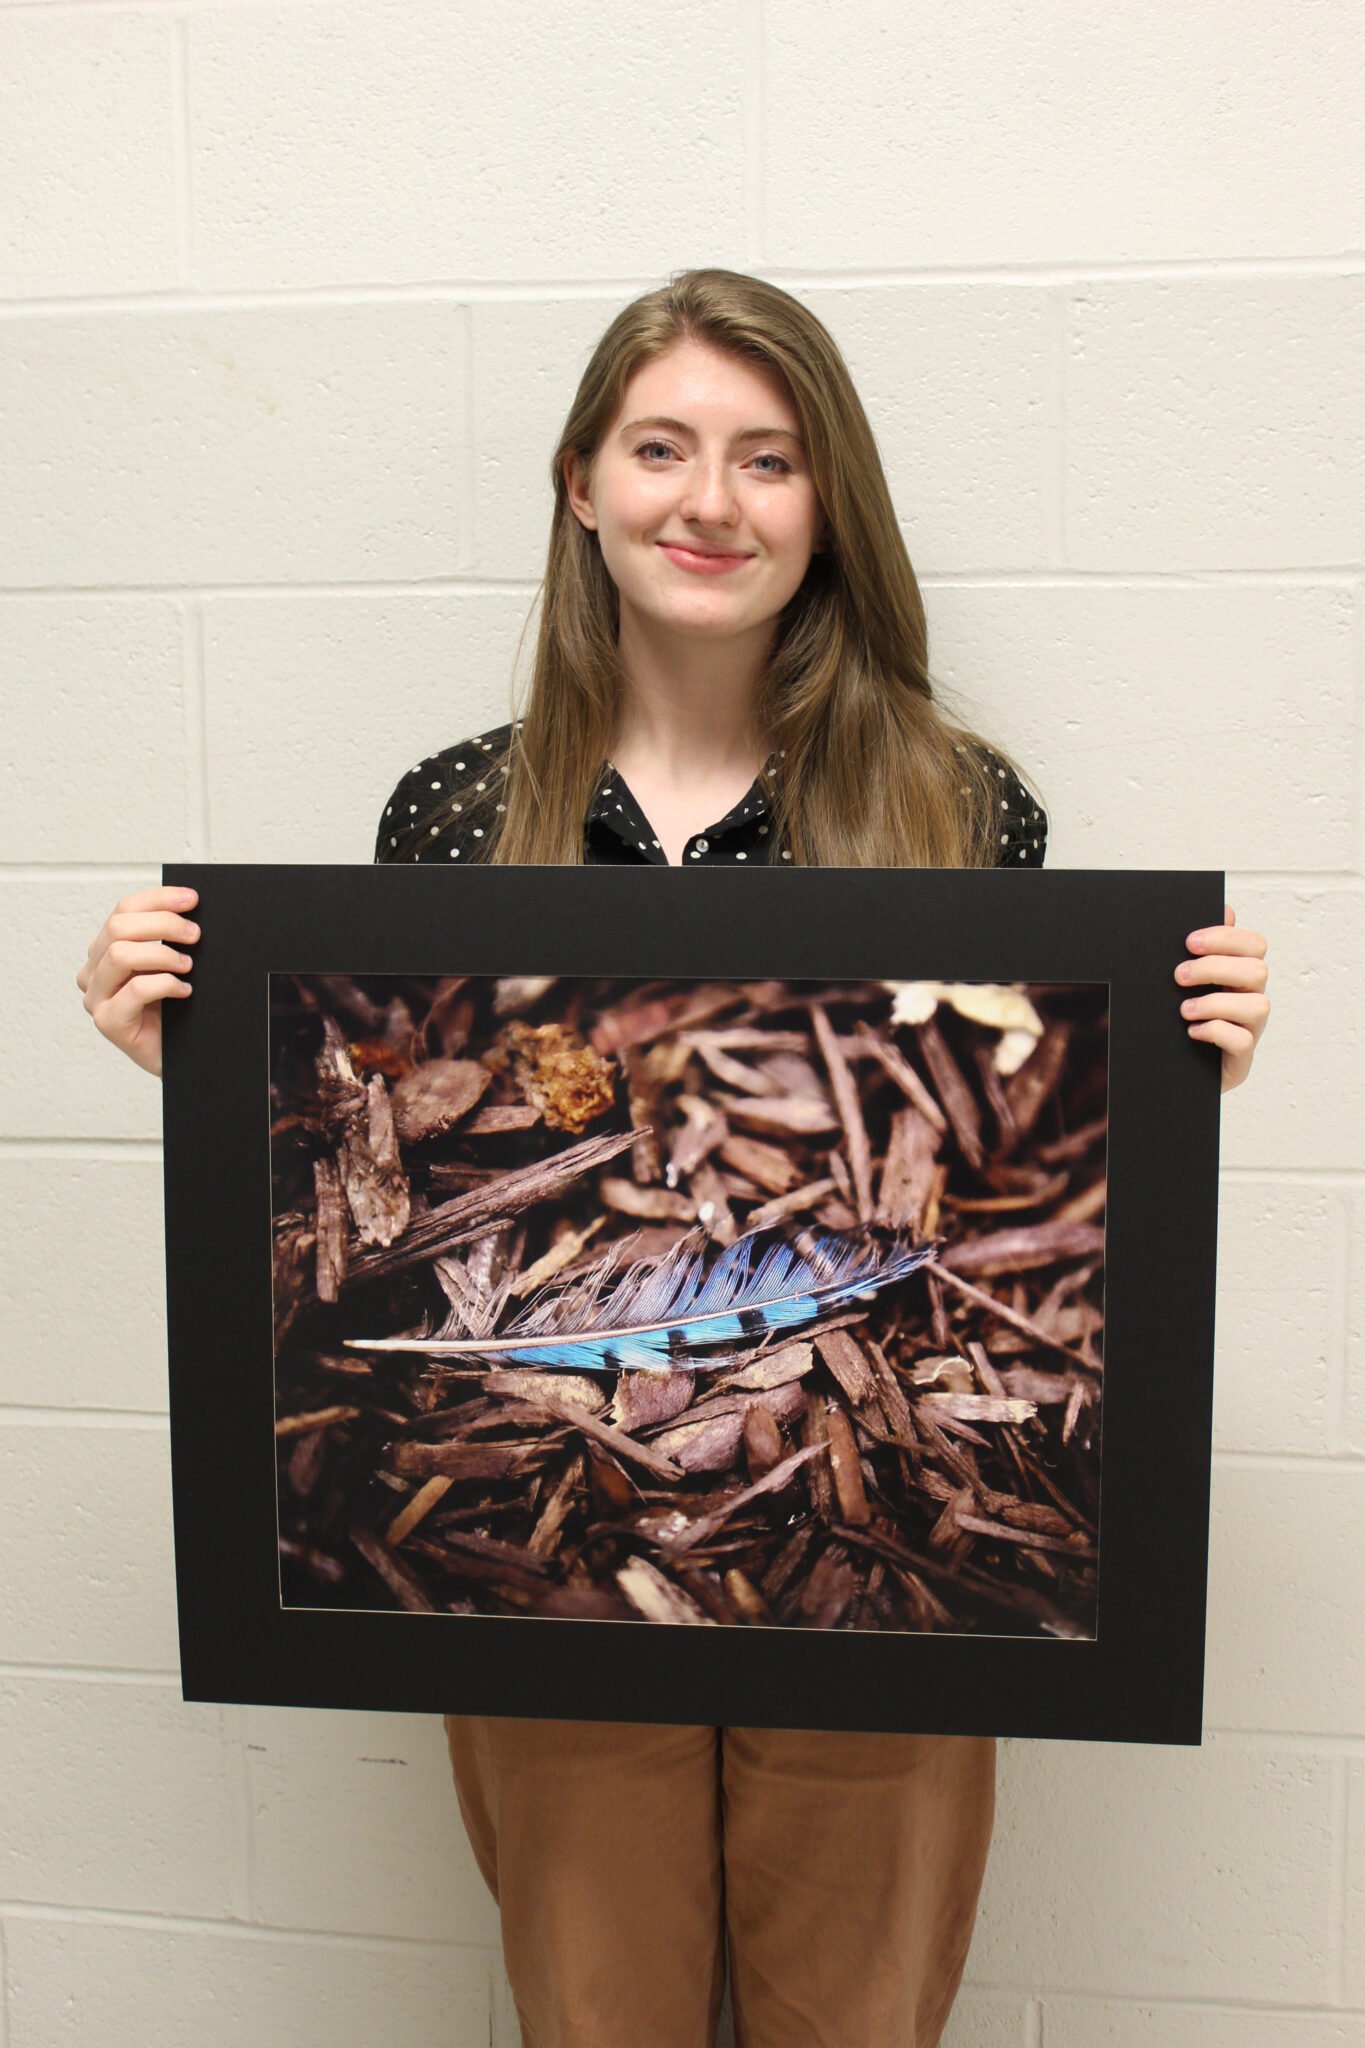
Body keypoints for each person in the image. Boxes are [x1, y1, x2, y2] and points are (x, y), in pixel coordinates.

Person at [76, 269, 1270, 2048]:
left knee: (853, 2022)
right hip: (556, 1559)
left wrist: (1179, 1072)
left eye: (767, 459)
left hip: (876, 1569)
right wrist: (197, 1058)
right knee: (594, 2015)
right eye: (660, 447)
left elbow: (1019, 1133)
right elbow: (397, 1138)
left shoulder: (960, 805)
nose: (709, 502)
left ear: (825, 504)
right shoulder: (456, 814)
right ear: (580, 483)